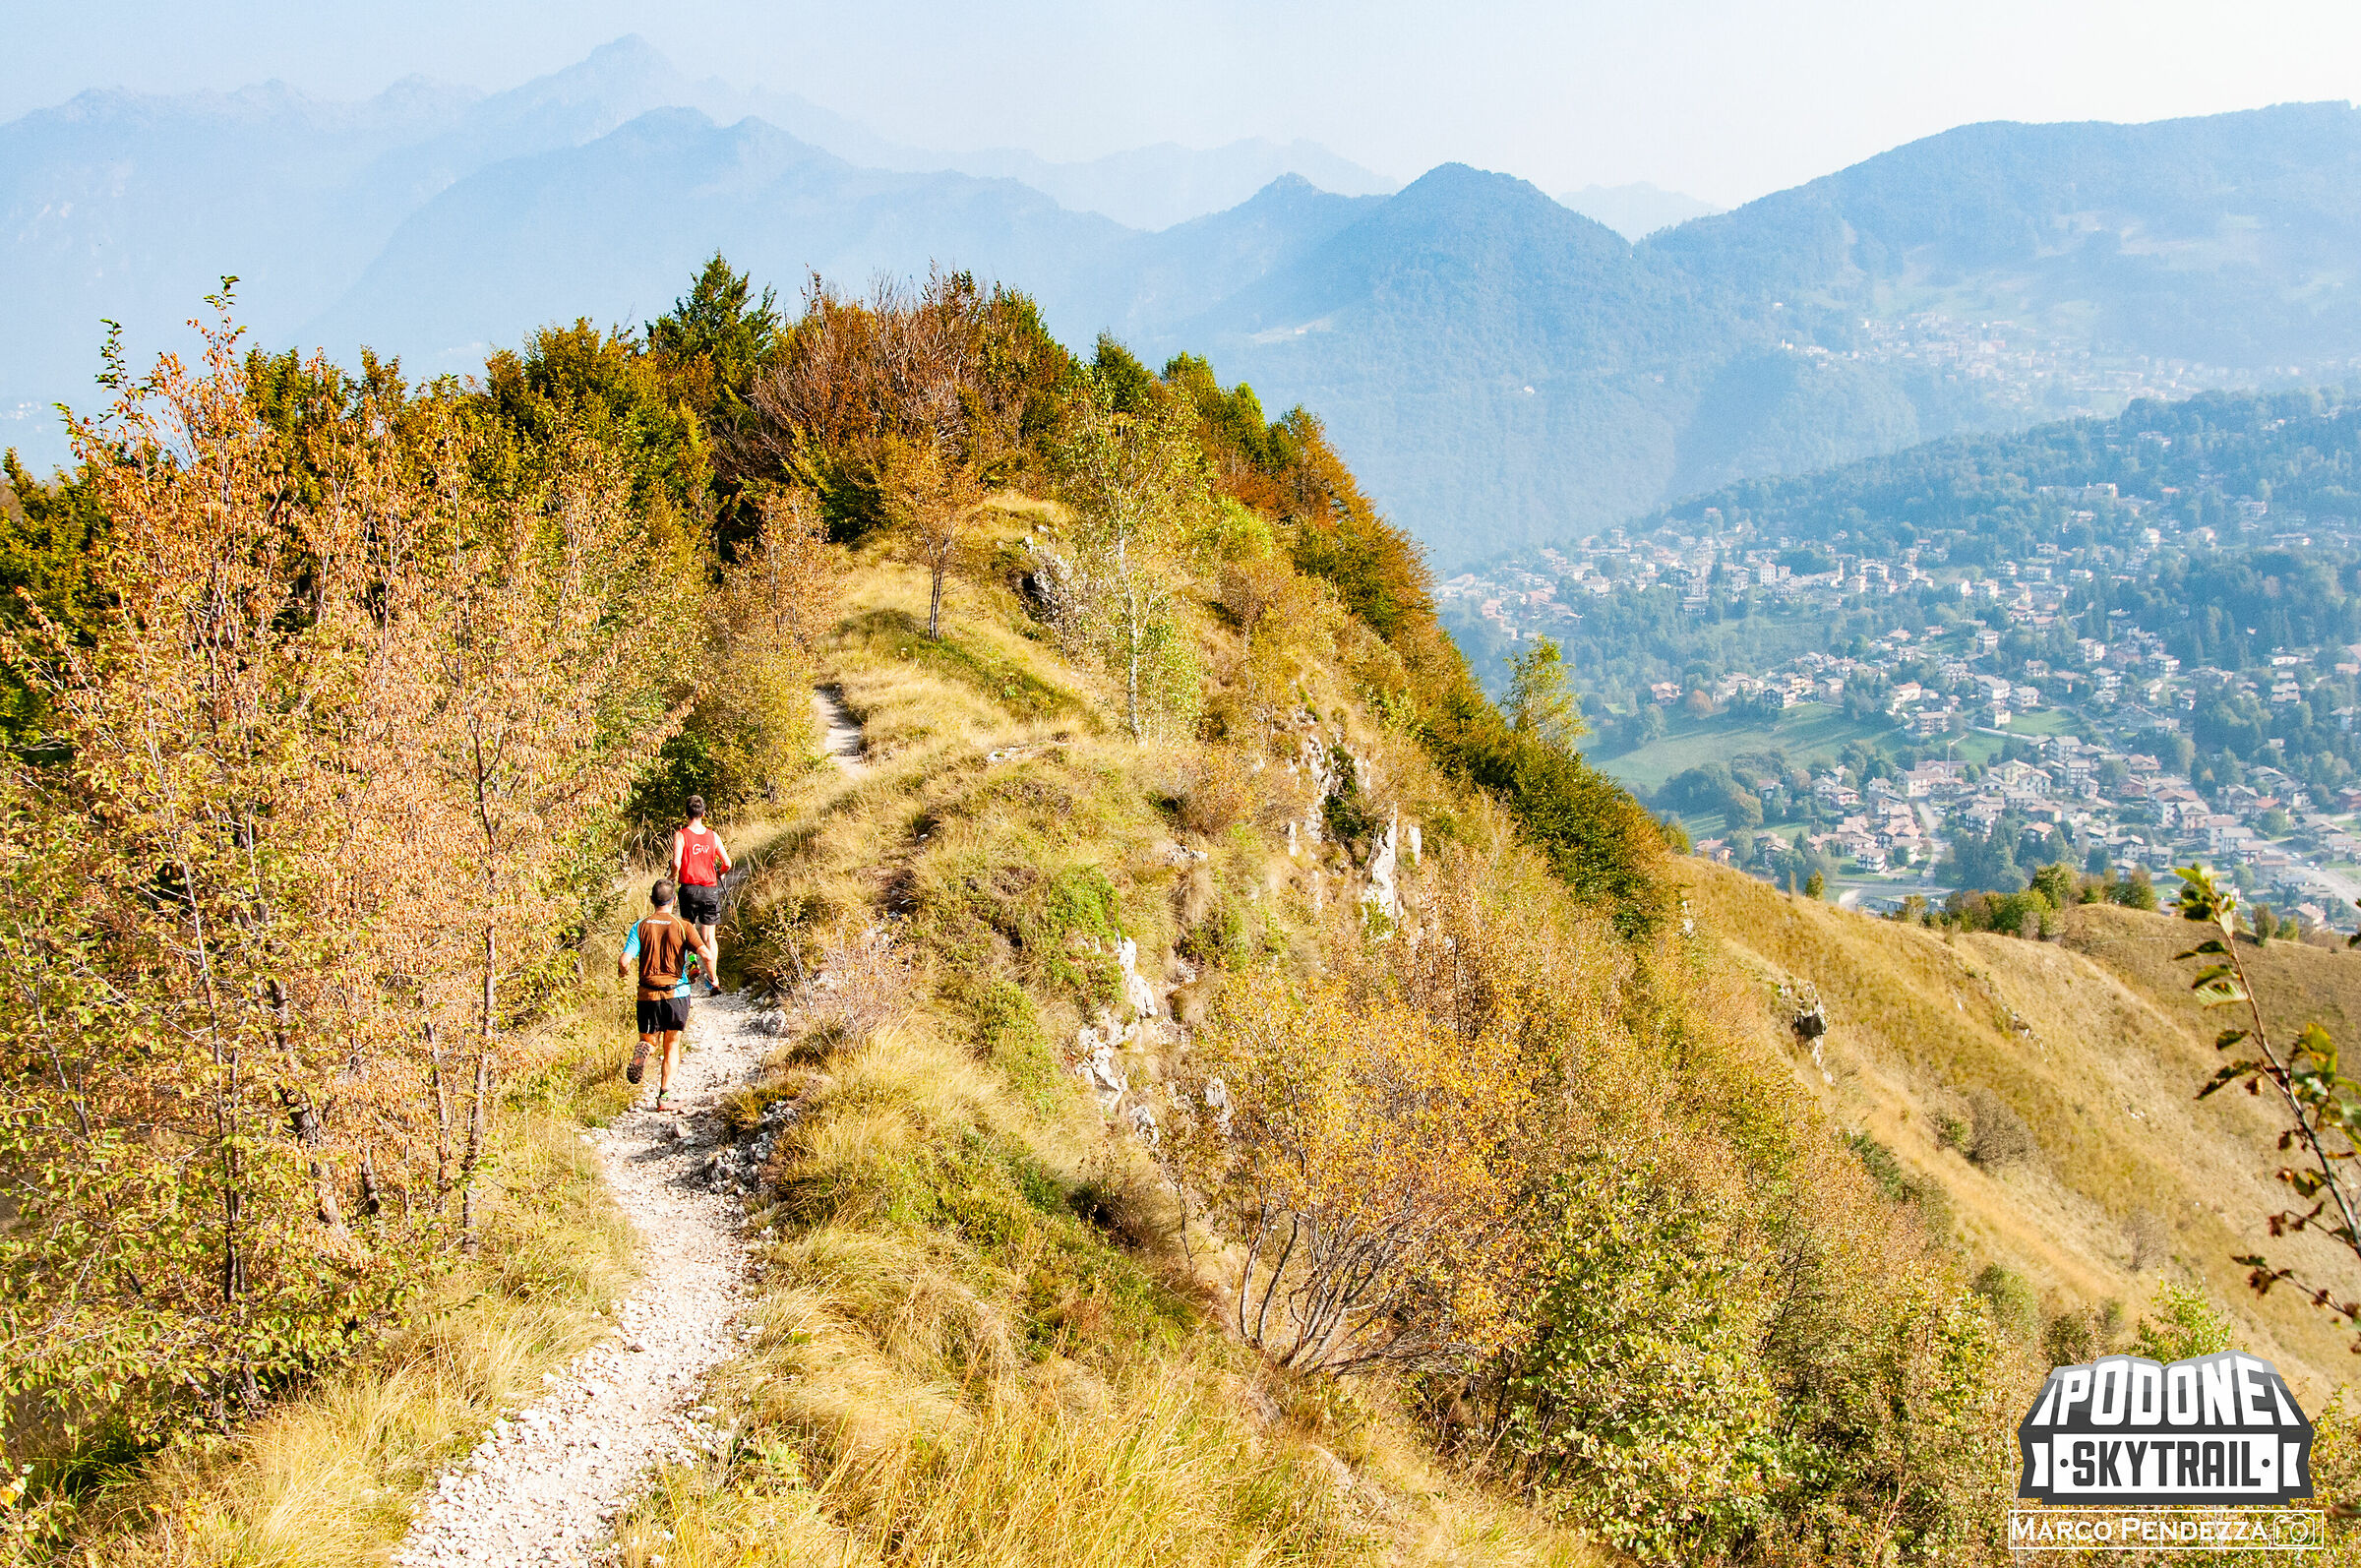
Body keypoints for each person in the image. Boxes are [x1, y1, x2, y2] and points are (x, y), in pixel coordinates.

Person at [619, 877, 712, 1113]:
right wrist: (713, 977)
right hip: (676, 994)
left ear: (652, 900)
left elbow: (624, 960)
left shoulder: (640, 926)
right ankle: (664, 1097)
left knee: (649, 1041)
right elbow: (706, 954)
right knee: (672, 1045)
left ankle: (645, 1051)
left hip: (648, 995)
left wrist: (622, 972)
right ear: (674, 901)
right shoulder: (683, 925)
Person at [671, 795, 733, 995]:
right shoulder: (713, 836)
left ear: (686, 813)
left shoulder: (681, 835)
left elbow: (676, 863)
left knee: (688, 932)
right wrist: (719, 873)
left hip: (688, 889)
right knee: (709, 937)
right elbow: (727, 863)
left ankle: (692, 962)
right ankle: (713, 980)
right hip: (709, 890)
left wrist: (672, 877)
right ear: (703, 813)